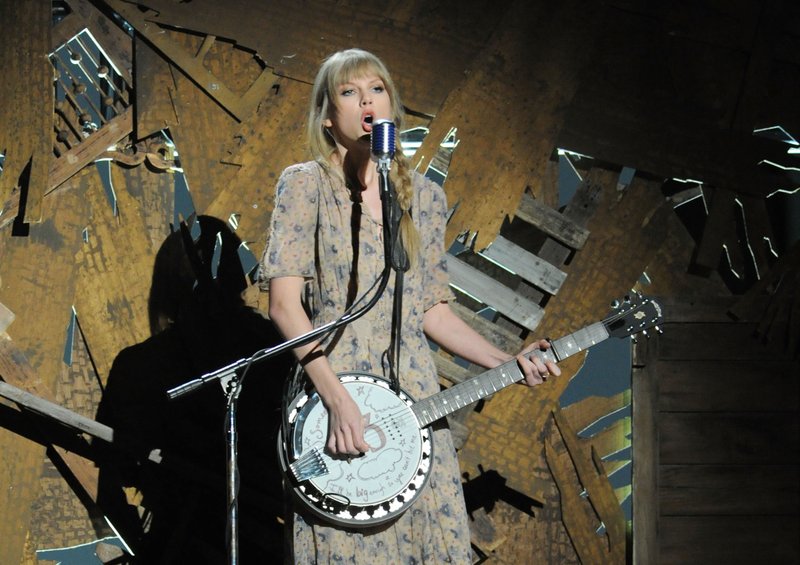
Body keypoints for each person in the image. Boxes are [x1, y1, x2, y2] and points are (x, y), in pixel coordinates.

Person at [259, 48, 560, 564]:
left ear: (391, 109)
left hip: (412, 400)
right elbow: (285, 307)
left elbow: (431, 310)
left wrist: (504, 363)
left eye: (376, 90)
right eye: (350, 93)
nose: (366, 102)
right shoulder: (305, 184)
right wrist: (335, 400)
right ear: (329, 118)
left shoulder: (423, 197)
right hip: (336, 389)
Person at [96, 215, 290, 563]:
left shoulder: (139, 363)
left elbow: (114, 477)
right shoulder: (277, 350)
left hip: (180, 544)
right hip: (268, 541)